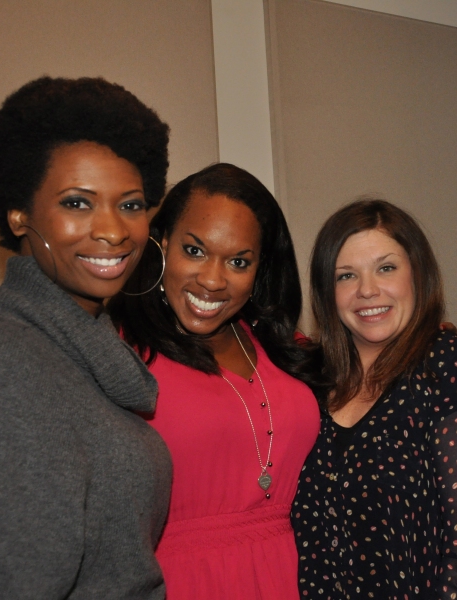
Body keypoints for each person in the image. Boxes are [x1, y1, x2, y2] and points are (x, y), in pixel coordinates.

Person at [0, 76, 172, 599]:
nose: (112, 230)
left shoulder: (81, 351)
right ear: (19, 214)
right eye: (78, 203)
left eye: (131, 205)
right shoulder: (0, 364)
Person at [109, 163, 321, 600]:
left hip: (290, 576)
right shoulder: (119, 353)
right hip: (178, 583)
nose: (212, 280)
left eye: (238, 261)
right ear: (163, 242)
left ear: (260, 270)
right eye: (195, 251)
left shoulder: (284, 349)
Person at [292, 199, 457, 599]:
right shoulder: (304, 383)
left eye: (386, 268)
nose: (367, 290)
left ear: (417, 273)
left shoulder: (444, 364)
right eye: (346, 276)